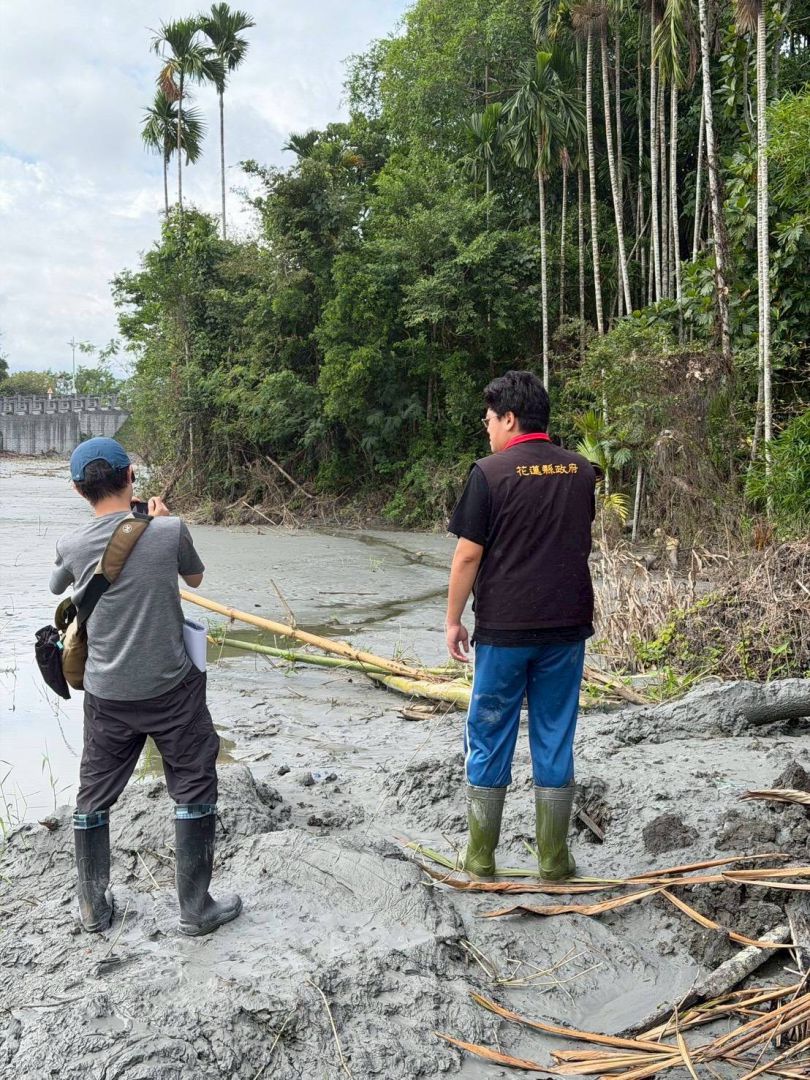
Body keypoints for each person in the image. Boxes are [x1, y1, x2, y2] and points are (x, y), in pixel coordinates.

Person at [49, 437, 242, 936]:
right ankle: (195, 909)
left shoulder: (70, 545)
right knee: (194, 782)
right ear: (131, 475)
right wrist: (157, 520)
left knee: (93, 794)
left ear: (77, 489)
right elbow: (195, 579)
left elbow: (57, 587)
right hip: (172, 688)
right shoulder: (168, 529)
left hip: (107, 694)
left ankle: (93, 909)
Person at [445, 371, 596, 882]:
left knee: (489, 732)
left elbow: (467, 556)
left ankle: (481, 858)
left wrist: (451, 621)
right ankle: (554, 860)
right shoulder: (582, 471)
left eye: (489, 420)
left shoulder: (488, 474)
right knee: (555, 735)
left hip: (505, 630)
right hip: (566, 627)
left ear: (510, 418)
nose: (487, 429)